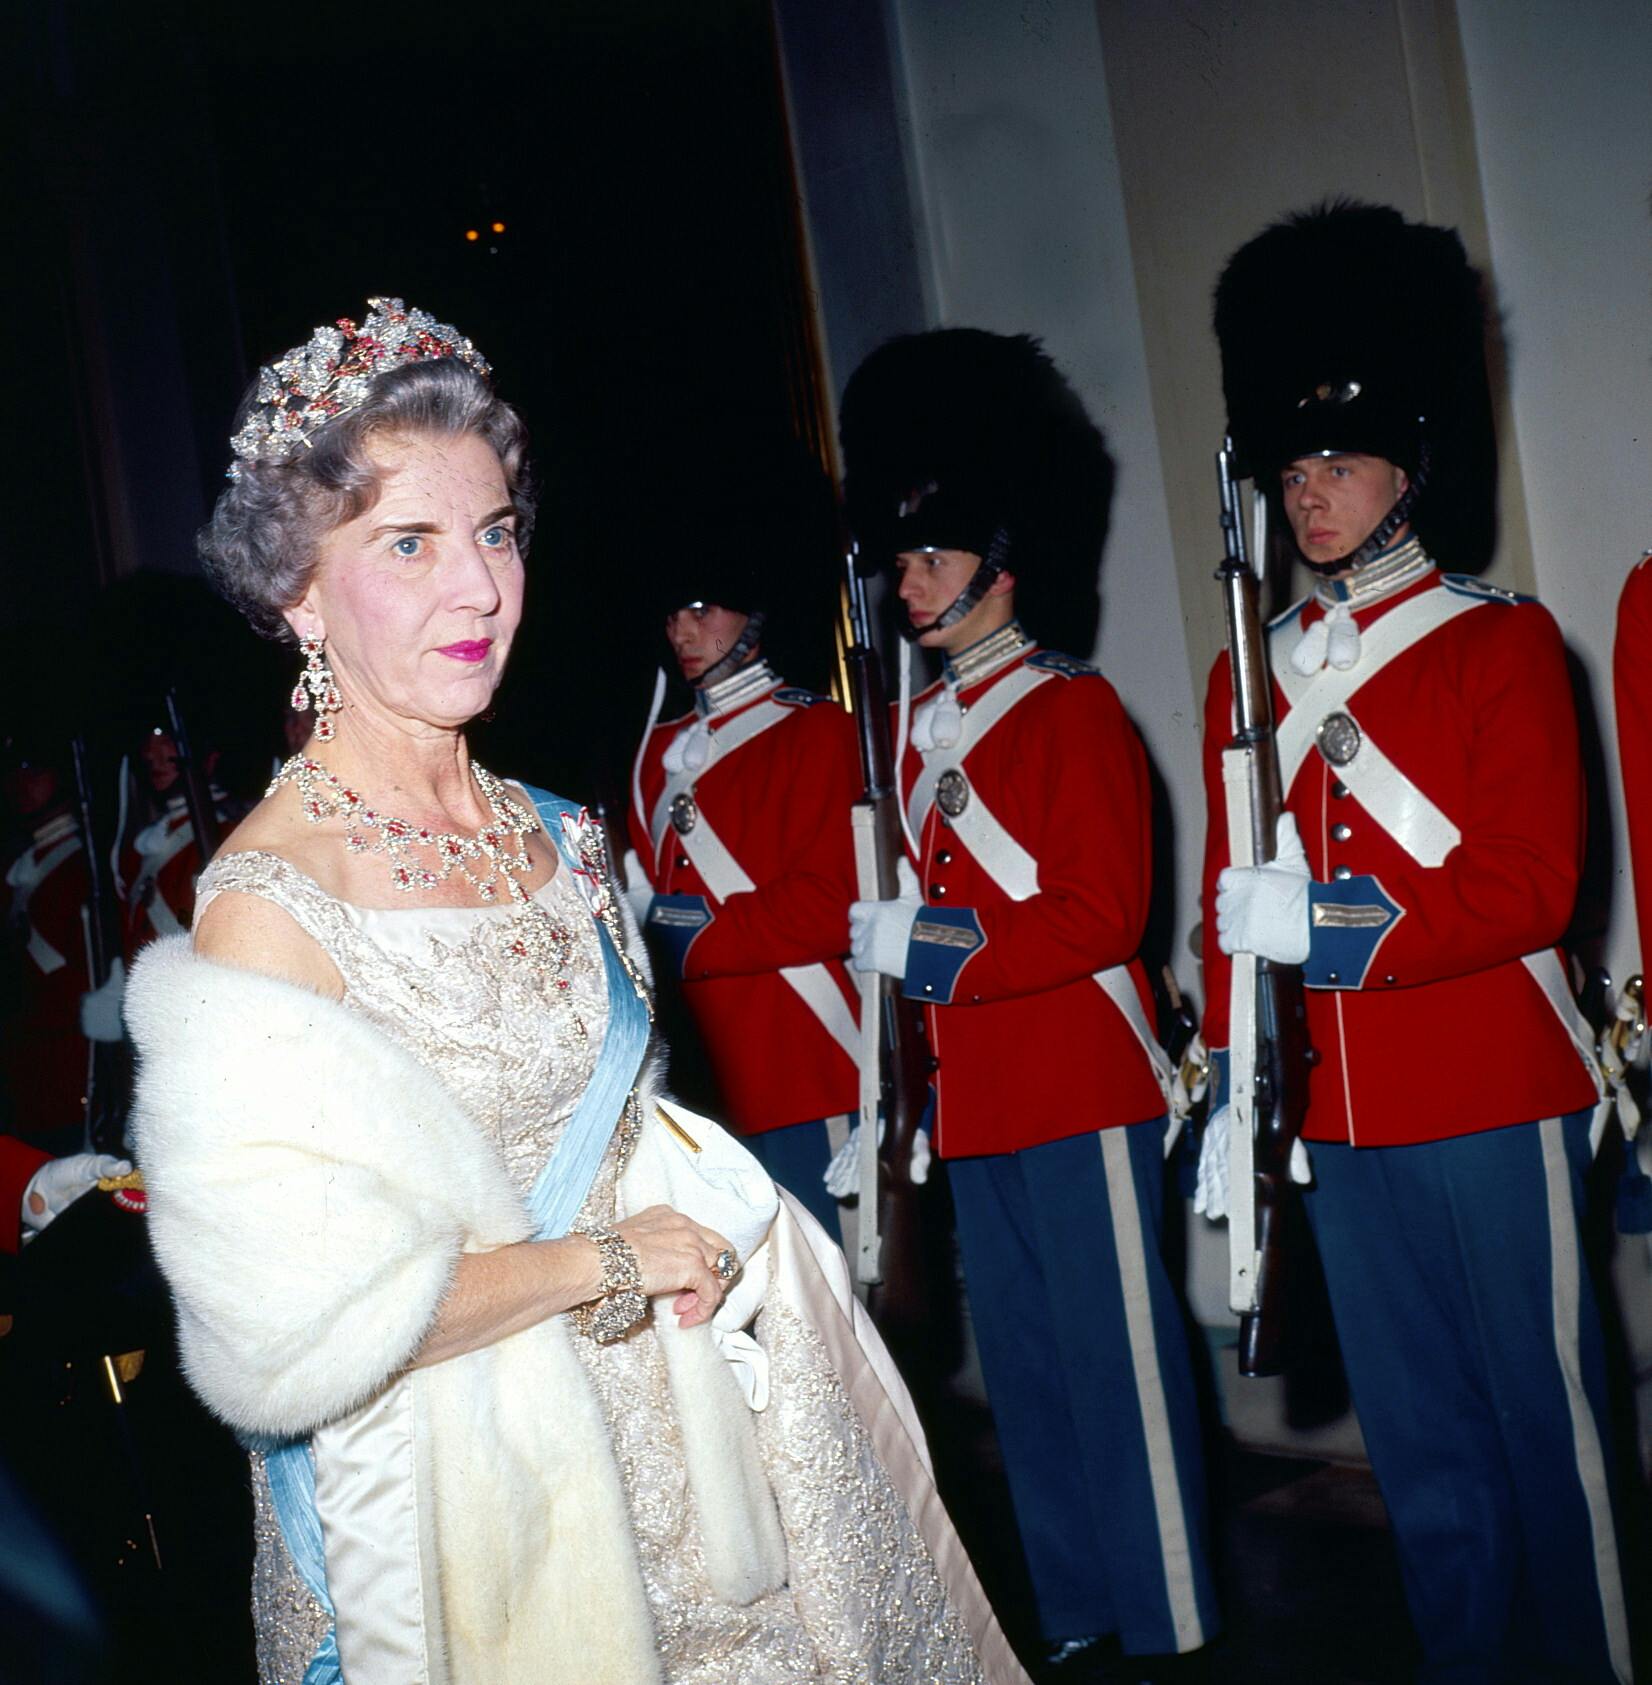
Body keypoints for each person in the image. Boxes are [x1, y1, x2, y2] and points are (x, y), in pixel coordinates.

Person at [123, 297, 1027, 1685]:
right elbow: (283, 1341)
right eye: (408, 543)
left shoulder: (563, 831)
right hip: (472, 1521)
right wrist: (603, 1263)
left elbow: (628, 1132)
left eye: (494, 532)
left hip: (692, 1440)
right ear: (299, 586)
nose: (478, 588)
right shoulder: (265, 907)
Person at [1202, 202, 1630, 1684]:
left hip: (1491, 1090)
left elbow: (1530, 887)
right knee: (1423, 1451)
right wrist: (1233, 1076)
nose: (1308, 492)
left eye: (1339, 460)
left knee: (1544, 1432)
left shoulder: (1499, 641)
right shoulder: (1246, 677)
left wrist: (1314, 930)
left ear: (1409, 463)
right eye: (1293, 464)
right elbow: (1224, 901)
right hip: (1341, 1112)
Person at [841, 328, 1218, 1684]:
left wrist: (927, 949)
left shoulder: (1071, 712)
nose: (909, 585)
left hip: (1077, 1077)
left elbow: (1095, 915)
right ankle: (1076, 1598)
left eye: (931, 559)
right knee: (1032, 1379)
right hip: (980, 1098)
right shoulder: (912, 732)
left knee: (1120, 1365)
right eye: (901, 561)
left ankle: (1171, 1613)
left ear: (1002, 563)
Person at [627, 443, 862, 1237]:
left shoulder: (816, 733)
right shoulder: (652, 757)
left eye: (705, 610)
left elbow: (829, 906)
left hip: (806, 1061)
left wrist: (684, 942)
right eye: (674, 613)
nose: (684, 632)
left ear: (752, 612)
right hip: (703, 1079)